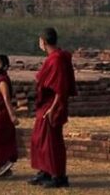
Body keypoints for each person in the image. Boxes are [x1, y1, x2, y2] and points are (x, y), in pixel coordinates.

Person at [29, 27, 77, 188]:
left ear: (43, 41)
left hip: (52, 105)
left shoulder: (57, 59)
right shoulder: (54, 58)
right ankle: (45, 171)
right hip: (46, 104)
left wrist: (54, 108)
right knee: (40, 139)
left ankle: (58, 175)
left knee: (52, 141)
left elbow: (60, 87)